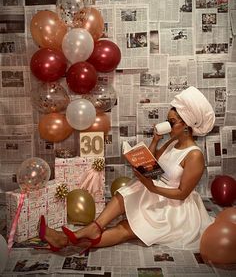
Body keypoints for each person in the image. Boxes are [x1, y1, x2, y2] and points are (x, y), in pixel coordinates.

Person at [37, 86, 215, 254]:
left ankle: (66, 240)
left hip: (174, 207)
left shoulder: (194, 155)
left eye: (172, 122)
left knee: (128, 227)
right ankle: (92, 228)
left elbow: (182, 194)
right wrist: (154, 141)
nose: (168, 125)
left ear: (186, 125)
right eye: (168, 120)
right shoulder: (172, 142)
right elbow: (153, 164)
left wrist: (151, 187)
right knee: (126, 192)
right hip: (157, 193)